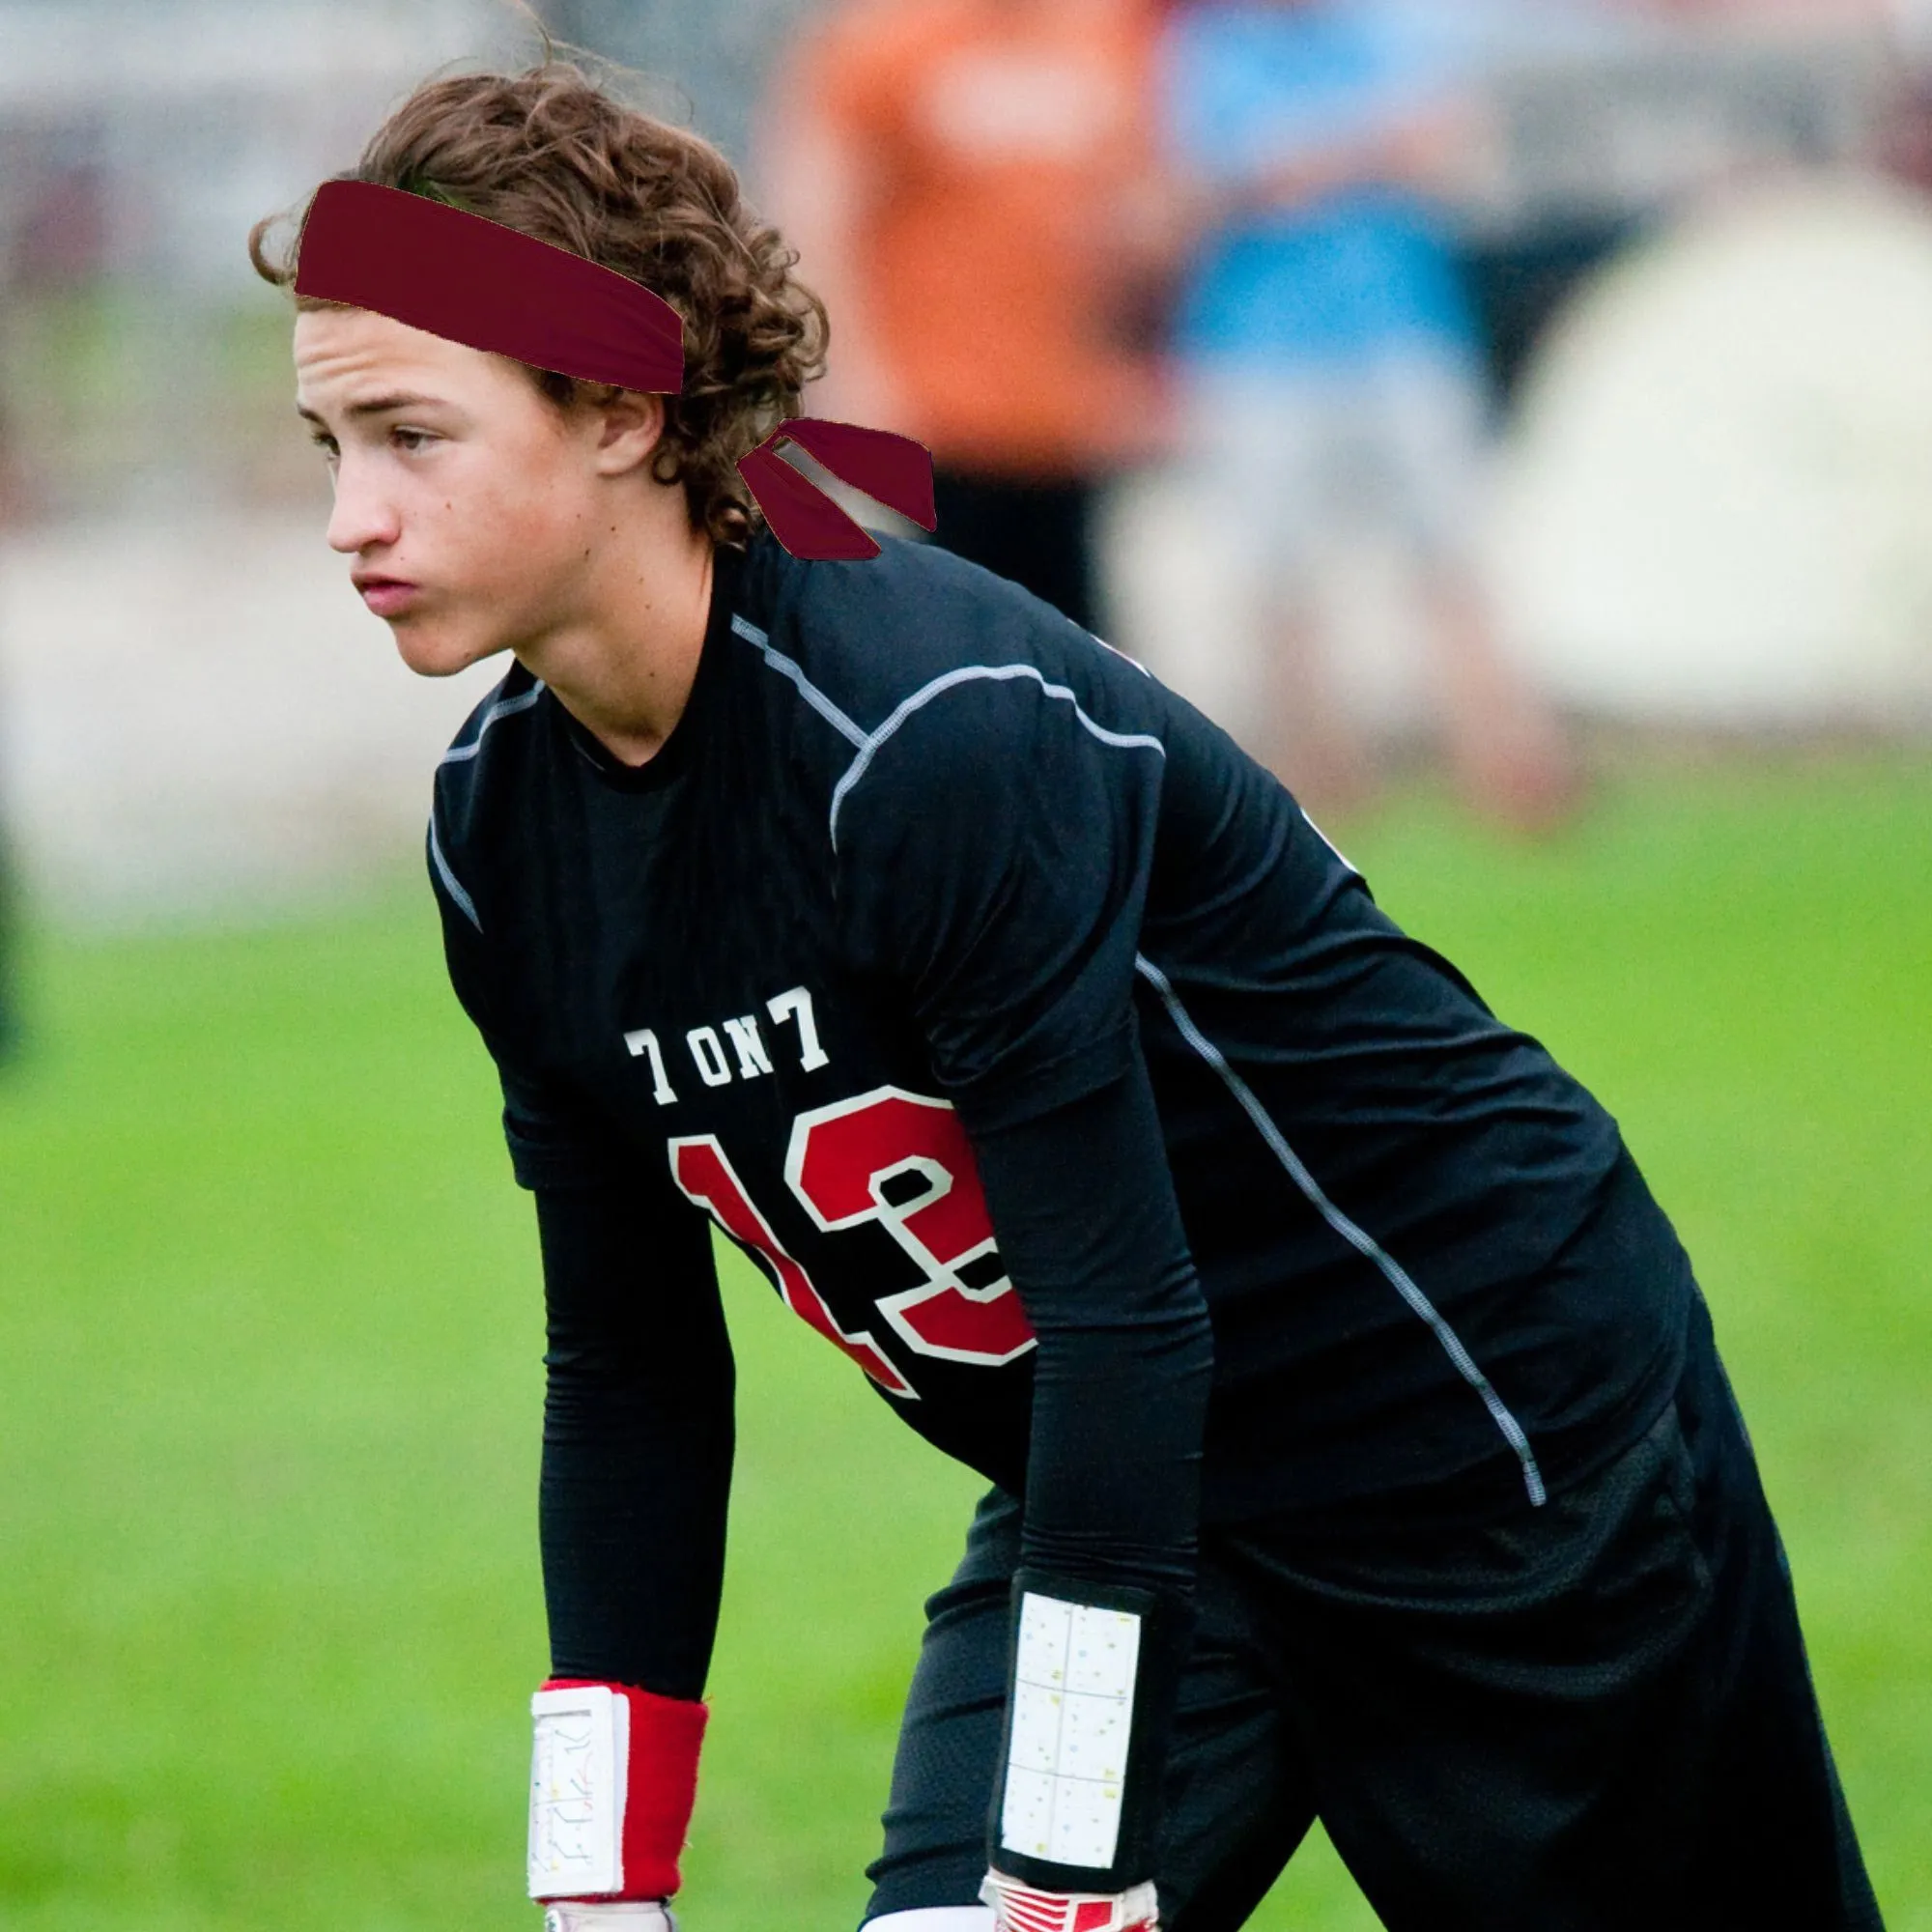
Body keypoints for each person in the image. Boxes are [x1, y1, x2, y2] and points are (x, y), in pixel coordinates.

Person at [257, 46, 1884, 1932]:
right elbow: (626, 1370)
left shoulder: (922, 732)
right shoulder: (496, 829)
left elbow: (1124, 1314)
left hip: (1477, 1436)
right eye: (332, 447)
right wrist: (595, 1891)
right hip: (1121, 1495)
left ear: (620, 408)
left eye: (412, 436)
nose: (348, 517)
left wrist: (1056, 1869)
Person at [1133, 0, 1578, 829]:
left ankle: (1511, 770)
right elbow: (1193, 191)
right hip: (1256, 348)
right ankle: (1317, 782)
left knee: (1453, 559)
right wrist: (1363, 150)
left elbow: (1447, 153)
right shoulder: (1207, 51)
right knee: (1277, 580)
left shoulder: (1397, 32)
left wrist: (1301, 165)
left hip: (1406, 331)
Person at [749, 0, 1179, 637]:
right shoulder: (889, 42)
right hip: (938, 422)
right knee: (950, 646)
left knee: (1077, 657)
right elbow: (819, 215)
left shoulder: (1102, 36)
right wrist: (848, 371)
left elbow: (1146, 206)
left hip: (1066, 424)